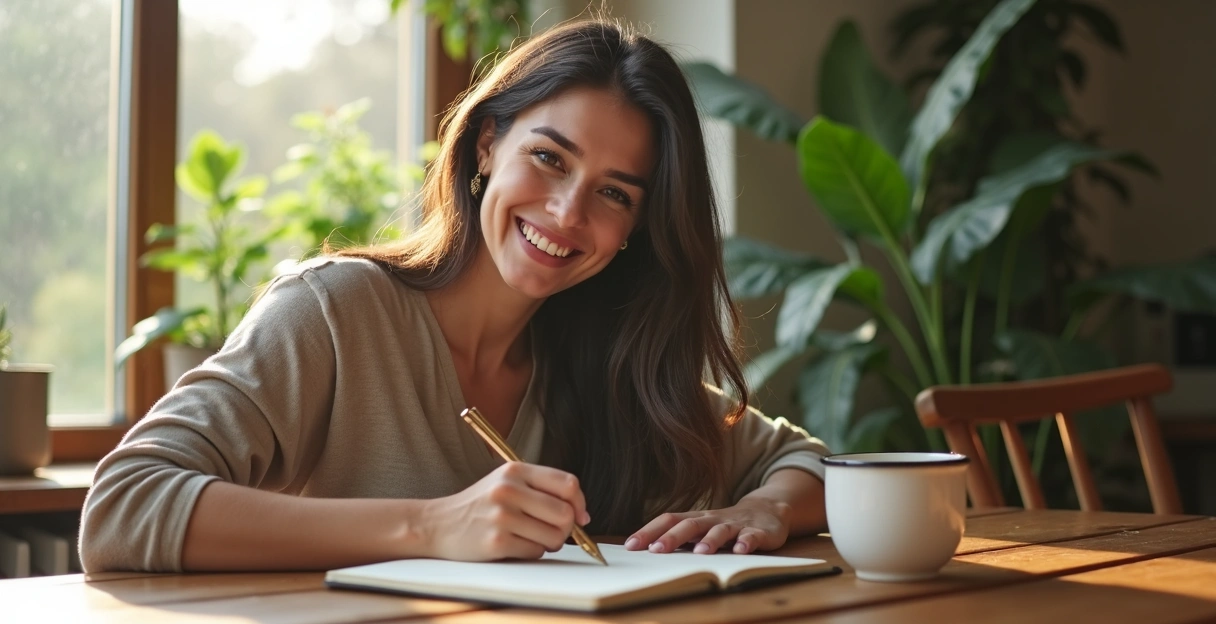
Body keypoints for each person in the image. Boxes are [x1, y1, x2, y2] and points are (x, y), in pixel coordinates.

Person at [79, 19, 830, 573]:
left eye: (615, 194)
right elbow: (122, 506)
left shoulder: (608, 356)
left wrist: (763, 509)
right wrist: (431, 526)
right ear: (485, 146)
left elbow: (808, 463)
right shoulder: (335, 312)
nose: (569, 213)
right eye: (548, 157)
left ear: (637, 228)